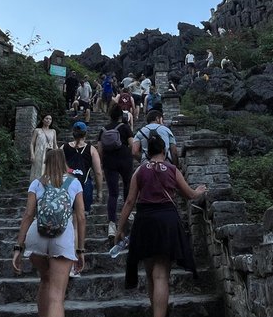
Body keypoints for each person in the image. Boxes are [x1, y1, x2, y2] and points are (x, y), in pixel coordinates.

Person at [116, 133, 206, 317]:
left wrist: (120, 228)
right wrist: (199, 191)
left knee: (150, 273)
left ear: (148, 152)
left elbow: (130, 201)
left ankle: (156, 312)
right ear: (164, 151)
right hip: (167, 221)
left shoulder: (140, 171)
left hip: (145, 222)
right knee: (161, 275)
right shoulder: (172, 169)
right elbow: (189, 195)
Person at [12, 149, 86, 317]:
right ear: (64, 163)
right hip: (62, 237)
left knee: (45, 280)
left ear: (46, 162)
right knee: (57, 296)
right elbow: (81, 218)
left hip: (36, 236)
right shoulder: (74, 183)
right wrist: (80, 250)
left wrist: (18, 247)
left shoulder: (37, 183)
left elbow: (28, 215)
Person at [97, 105, 134, 240]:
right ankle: (128, 214)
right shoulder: (125, 127)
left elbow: (99, 148)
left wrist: (101, 163)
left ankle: (111, 224)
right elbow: (132, 144)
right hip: (125, 160)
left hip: (109, 162)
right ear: (121, 116)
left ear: (110, 115)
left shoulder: (103, 129)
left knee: (112, 193)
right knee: (127, 186)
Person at [62, 121, 103, 213]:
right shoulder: (91, 149)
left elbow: (55, 166)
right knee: (81, 215)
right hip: (84, 184)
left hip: (66, 184)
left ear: (73, 133)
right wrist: (99, 192)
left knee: (67, 213)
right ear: (85, 133)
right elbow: (98, 172)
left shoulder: (63, 147)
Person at [30, 114, 58, 182]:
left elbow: (55, 144)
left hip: (50, 154)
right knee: (38, 170)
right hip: (39, 153)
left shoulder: (53, 131)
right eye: (46, 118)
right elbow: (32, 143)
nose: (48, 120)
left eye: (50, 119)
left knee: (49, 170)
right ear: (43, 120)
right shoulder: (37, 130)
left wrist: (58, 154)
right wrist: (32, 154)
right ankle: (36, 187)